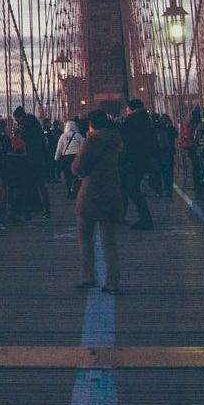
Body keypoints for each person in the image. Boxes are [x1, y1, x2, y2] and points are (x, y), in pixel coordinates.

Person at [73, 109, 125, 293]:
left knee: (85, 237)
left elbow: (78, 167)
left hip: (91, 193)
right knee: (109, 240)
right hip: (111, 190)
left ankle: (88, 276)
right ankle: (112, 281)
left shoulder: (92, 141)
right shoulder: (117, 141)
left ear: (91, 124)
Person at [118, 99, 157, 230]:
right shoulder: (146, 119)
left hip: (132, 160)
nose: (126, 111)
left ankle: (145, 220)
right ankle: (144, 219)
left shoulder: (131, 122)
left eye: (127, 109)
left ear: (131, 109)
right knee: (133, 188)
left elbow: (123, 138)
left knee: (132, 189)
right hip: (143, 159)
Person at [8, 107, 51, 220]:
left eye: (16, 119)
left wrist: (17, 134)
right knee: (41, 186)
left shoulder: (25, 127)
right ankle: (46, 210)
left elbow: (21, 142)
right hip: (39, 160)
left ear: (20, 117)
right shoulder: (36, 126)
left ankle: (26, 212)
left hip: (28, 160)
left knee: (25, 186)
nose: (17, 122)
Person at [56, 118, 88, 199]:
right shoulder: (78, 135)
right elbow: (84, 145)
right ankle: (74, 190)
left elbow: (59, 148)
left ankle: (68, 192)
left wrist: (56, 157)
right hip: (76, 157)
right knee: (76, 175)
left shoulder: (63, 136)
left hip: (66, 157)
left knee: (67, 176)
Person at [153, 113, 177, 196]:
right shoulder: (168, 129)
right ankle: (168, 188)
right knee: (168, 171)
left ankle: (166, 188)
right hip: (167, 152)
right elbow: (175, 135)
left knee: (164, 172)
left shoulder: (157, 128)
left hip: (162, 153)